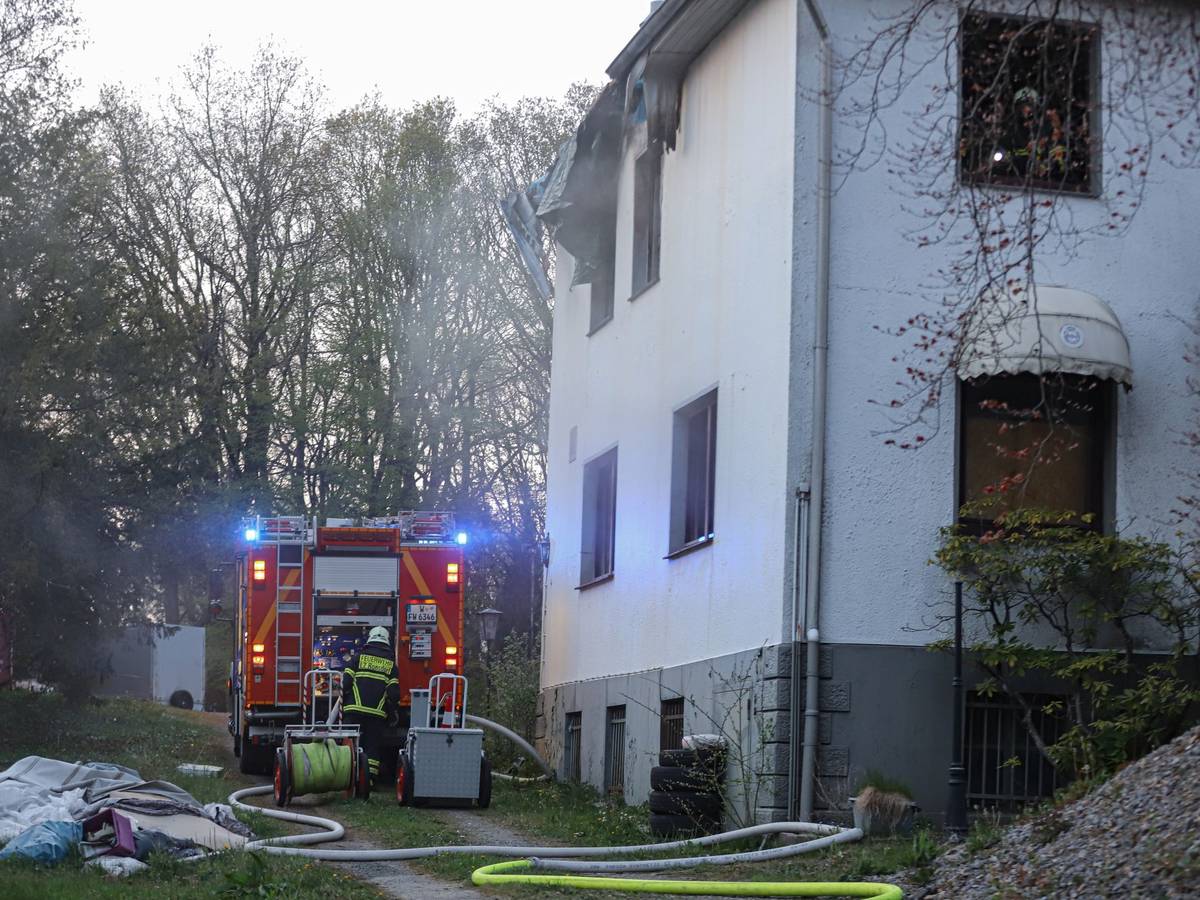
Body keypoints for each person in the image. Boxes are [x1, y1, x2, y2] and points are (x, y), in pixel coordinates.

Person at [341, 625, 399, 787]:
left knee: (349, 743)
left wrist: (343, 698)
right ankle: (369, 781)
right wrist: (393, 712)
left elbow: (345, 683)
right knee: (372, 747)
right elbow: (394, 694)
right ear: (387, 643)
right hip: (376, 714)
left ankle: (346, 776)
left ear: (370, 641)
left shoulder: (357, 659)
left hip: (353, 711)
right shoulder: (391, 667)